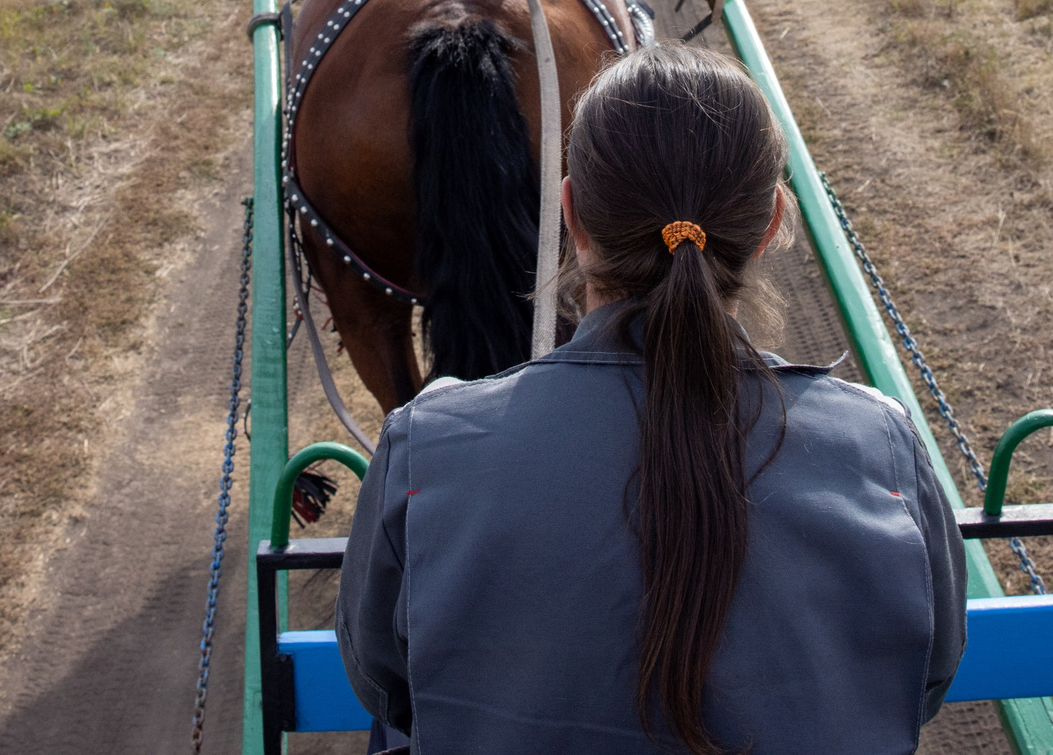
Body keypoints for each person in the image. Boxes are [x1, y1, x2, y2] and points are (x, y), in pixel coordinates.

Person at [338, 44, 967, 754]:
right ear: (768, 227)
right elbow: (927, 674)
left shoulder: (427, 444)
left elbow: (383, 681)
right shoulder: (879, 442)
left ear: (572, 214)